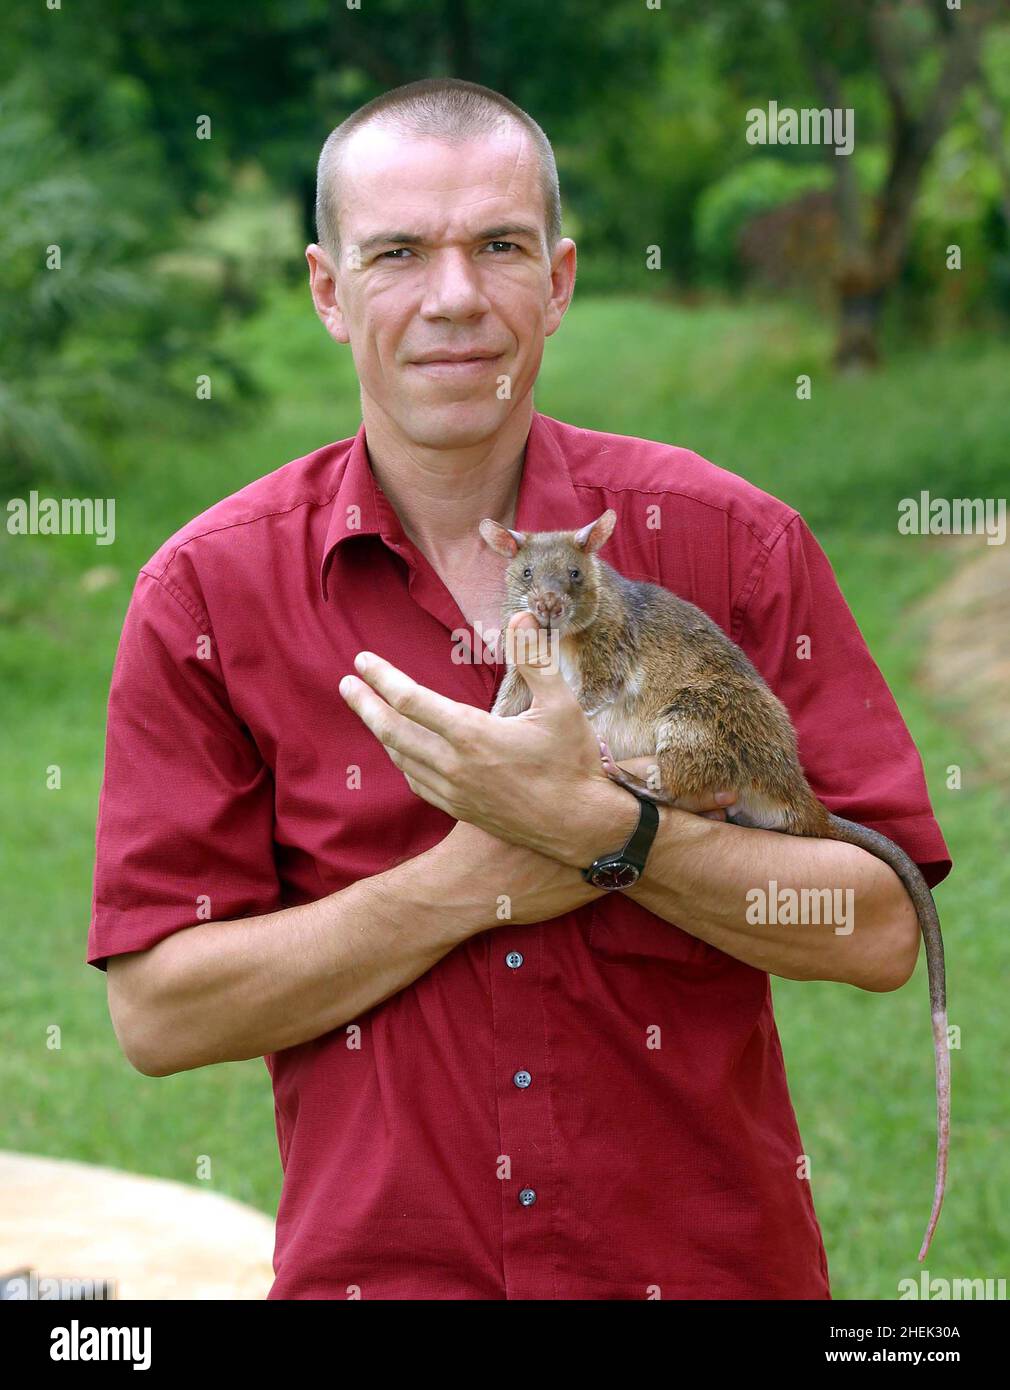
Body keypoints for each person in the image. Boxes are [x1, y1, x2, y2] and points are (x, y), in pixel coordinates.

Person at [89, 77, 951, 1300]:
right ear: (329, 291)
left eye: (497, 246)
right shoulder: (207, 597)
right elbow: (160, 1015)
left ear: (556, 279)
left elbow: (873, 928)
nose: (453, 298)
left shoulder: (731, 541)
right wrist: (472, 879)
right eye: (396, 252)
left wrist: (613, 835)